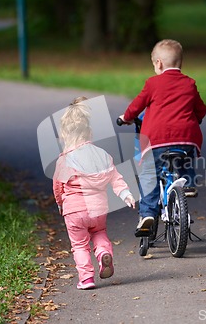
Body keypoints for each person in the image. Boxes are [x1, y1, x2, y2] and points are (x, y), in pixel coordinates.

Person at [118, 39, 206, 236]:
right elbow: (201, 109)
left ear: (158, 63)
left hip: (157, 140)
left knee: (149, 174)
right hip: (186, 138)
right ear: (180, 63)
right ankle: (188, 183)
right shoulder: (189, 83)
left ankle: (148, 213)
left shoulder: (152, 83)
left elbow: (137, 106)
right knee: (184, 160)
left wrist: (125, 117)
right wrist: (196, 119)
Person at [53, 96, 135, 290]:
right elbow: (115, 178)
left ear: (65, 135)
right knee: (99, 233)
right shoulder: (102, 155)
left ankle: (87, 278)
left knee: (79, 245)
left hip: (74, 210)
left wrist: (60, 204)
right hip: (98, 209)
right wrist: (126, 194)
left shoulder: (65, 159)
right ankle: (103, 254)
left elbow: (58, 187)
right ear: (89, 132)